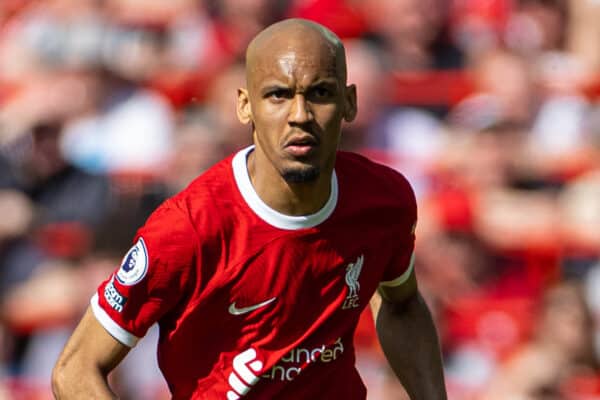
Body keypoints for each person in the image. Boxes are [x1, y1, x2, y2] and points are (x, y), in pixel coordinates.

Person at [51, 18, 447, 399]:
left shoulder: (384, 199)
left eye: (320, 93)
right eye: (278, 95)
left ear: (350, 102)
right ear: (245, 106)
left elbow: (402, 304)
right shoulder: (187, 228)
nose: (300, 115)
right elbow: (76, 370)